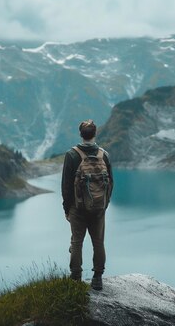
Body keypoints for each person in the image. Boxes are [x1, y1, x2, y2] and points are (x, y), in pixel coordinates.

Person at [61, 119, 113, 291]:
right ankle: (97, 278)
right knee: (98, 242)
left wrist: (67, 208)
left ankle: (75, 277)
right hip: (98, 208)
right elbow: (111, 182)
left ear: (81, 134)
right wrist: (104, 204)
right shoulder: (104, 154)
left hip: (78, 207)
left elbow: (66, 186)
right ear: (95, 134)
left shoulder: (72, 155)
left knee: (77, 242)